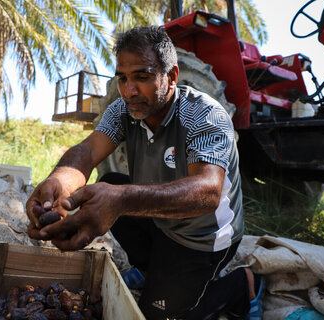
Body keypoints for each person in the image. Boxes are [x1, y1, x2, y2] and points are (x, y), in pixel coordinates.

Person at [26, 26, 263, 319]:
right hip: (162, 220)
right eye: (122, 78)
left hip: (203, 238)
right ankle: (153, 269)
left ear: (172, 76)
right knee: (111, 182)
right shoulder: (124, 109)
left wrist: (122, 200)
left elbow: (207, 191)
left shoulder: (204, 114)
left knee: (158, 315)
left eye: (142, 77)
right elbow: (87, 151)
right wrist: (59, 181)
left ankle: (242, 284)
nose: (129, 91)